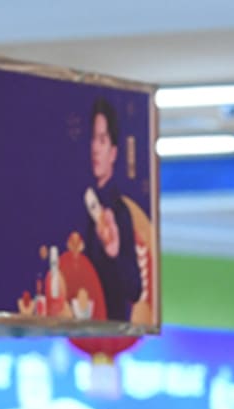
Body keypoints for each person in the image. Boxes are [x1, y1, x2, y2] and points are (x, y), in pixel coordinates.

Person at [84, 97, 144, 324]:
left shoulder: (119, 213)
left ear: (114, 152)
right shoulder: (79, 202)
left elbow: (135, 290)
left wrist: (114, 255)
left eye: (102, 140)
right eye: (92, 139)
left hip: (107, 324)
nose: (95, 148)